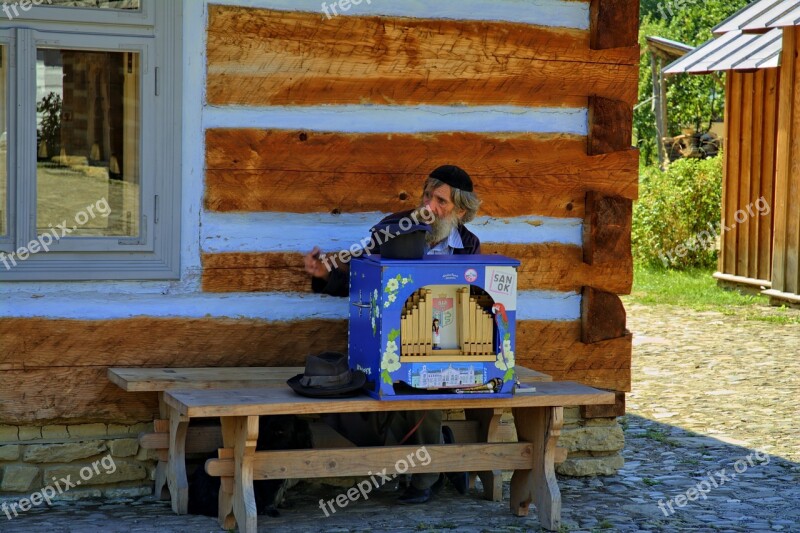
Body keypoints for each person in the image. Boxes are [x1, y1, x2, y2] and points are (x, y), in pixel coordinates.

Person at [304, 165, 481, 504]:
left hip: (440, 342)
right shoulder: (394, 226)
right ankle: (437, 449)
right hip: (388, 339)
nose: (429, 207)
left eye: (441, 201)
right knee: (342, 400)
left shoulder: (468, 244)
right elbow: (360, 268)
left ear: (461, 210)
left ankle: (423, 481)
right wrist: (325, 271)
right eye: (428, 196)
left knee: (424, 383)